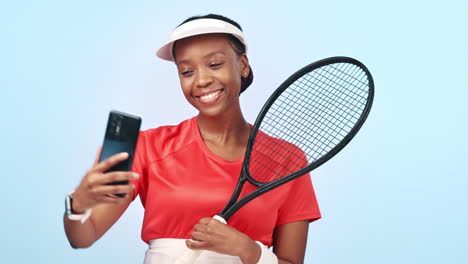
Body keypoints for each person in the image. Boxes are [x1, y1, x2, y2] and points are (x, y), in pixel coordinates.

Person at [63, 14, 321, 264]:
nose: (201, 80)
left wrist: (248, 250)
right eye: (186, 71)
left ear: (243, 65)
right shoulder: (148, 147)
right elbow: (83, 237)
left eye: (215, 64)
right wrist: (77, 206)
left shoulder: (289, 159)